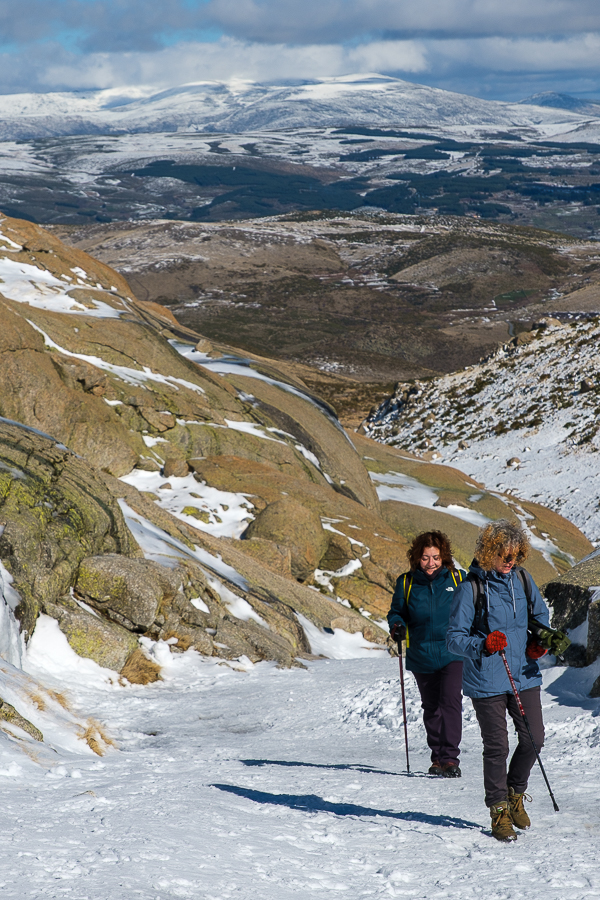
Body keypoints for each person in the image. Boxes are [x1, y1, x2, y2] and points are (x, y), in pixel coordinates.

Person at [446, 519, 569, 842]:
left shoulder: (523, 580)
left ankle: (515, 793)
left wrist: (539, 643)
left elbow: (539, 620)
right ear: (488, 552)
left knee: (534, 739)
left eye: (515, 553)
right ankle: (498, 811)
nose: (510, 560)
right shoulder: (470, 588)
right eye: (503, 553)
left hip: (523, 673)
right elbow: (454, 639)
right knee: (497, 746)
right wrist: (482, 644)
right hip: (487, 678)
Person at [388, 530, 466, 778]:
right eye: (425, 558)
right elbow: (396, 612)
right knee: (431, 707)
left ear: (444, 557)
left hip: (452, 652)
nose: (431, 563)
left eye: (435, 557)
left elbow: (472, 609)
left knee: (451, 702)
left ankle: (450, 759)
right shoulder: (406, 583)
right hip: (421, 653)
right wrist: (397, 626)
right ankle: (437, 758)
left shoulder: (458, 579)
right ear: (416, 558)